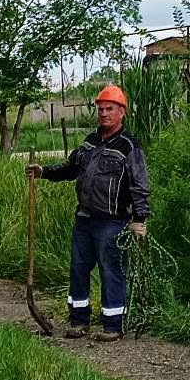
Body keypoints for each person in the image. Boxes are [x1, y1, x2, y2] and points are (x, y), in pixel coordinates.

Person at [32, 83, 149, 341]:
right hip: (84, 219)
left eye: (110, 109)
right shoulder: (90, 142)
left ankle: (113, 326)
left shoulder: (129, 147)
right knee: (78, 269)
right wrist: (44, 172)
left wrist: (139, 219)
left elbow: (139, 185)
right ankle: (78, 321)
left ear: (121, 112)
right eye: (100, 109)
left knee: (111, 271)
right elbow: (69, 168)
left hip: (112, 221)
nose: (104, 114)